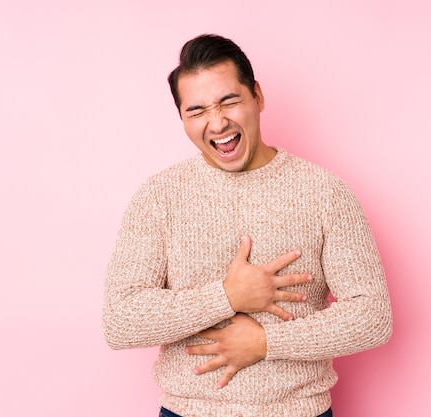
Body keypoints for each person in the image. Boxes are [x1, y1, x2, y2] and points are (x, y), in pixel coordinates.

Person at [102, 34, 392, 417]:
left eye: (229, 101)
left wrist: (265, 342)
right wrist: (227, 296)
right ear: (183, 119)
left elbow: (372, 316)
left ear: (257, 95)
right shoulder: (158, 197)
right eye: (197, 110)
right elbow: (120, 321)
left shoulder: (324, 193)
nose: (217, 121)